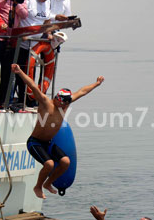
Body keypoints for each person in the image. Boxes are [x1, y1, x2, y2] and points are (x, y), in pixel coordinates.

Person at [12, 63, 104, 198]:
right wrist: (19, 72)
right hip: (35, 142)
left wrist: (96, 84)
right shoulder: (45, 103)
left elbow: (82, 92)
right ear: (57, 99)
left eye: (67, 103)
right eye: (64, 103)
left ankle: (48, 183)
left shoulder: (65, 104)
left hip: (48, 143)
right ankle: (38, 187)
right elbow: (32, 86)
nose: (65, 106)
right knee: (49, 164)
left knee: (65, 162)